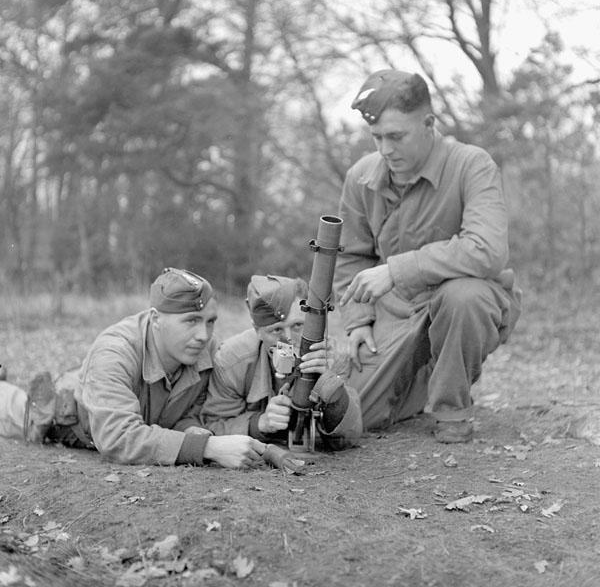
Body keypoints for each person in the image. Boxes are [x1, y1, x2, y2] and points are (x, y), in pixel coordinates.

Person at [334, 69, 522, 443]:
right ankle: (421, 377)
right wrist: (358, 322)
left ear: (429, 123)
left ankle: (452, 408)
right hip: (398, 310)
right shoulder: (361, 177)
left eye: (396, 137)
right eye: (377, 138)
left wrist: (396, 269)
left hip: (464, 303)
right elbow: (350, 257)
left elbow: (486, 251)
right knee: (351, 418)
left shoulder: (472, 164)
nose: (385, 150)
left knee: (463, 297)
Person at [0, 268, 266, 468]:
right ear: (155, 319)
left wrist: (192, 432)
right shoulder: (114, 351)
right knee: (9, 407)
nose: (203, 334)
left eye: (210, 322)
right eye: (191, 321)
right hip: (63, 418)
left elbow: (189, 412)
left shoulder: (203, 350)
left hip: (122, 410)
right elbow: (117, 437)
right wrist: (208, 447)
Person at [201, 275, 362, 449]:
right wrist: (259, 423)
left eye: (297, 326)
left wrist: (331, 389)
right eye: (276, 330)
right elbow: (212, 426)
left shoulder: (328, 355)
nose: (288, 340)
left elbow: (350, 436)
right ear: (258, 331)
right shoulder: (232, 360)